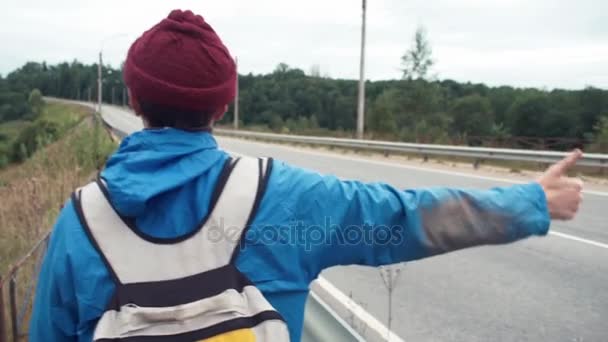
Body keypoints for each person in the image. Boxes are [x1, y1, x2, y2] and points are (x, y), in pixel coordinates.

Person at [30, 9, 584, 342]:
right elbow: (409, 216)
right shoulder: (283, 196)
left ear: (132, 98)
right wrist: (533, 201)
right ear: (223, 107)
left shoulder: (80, 223)